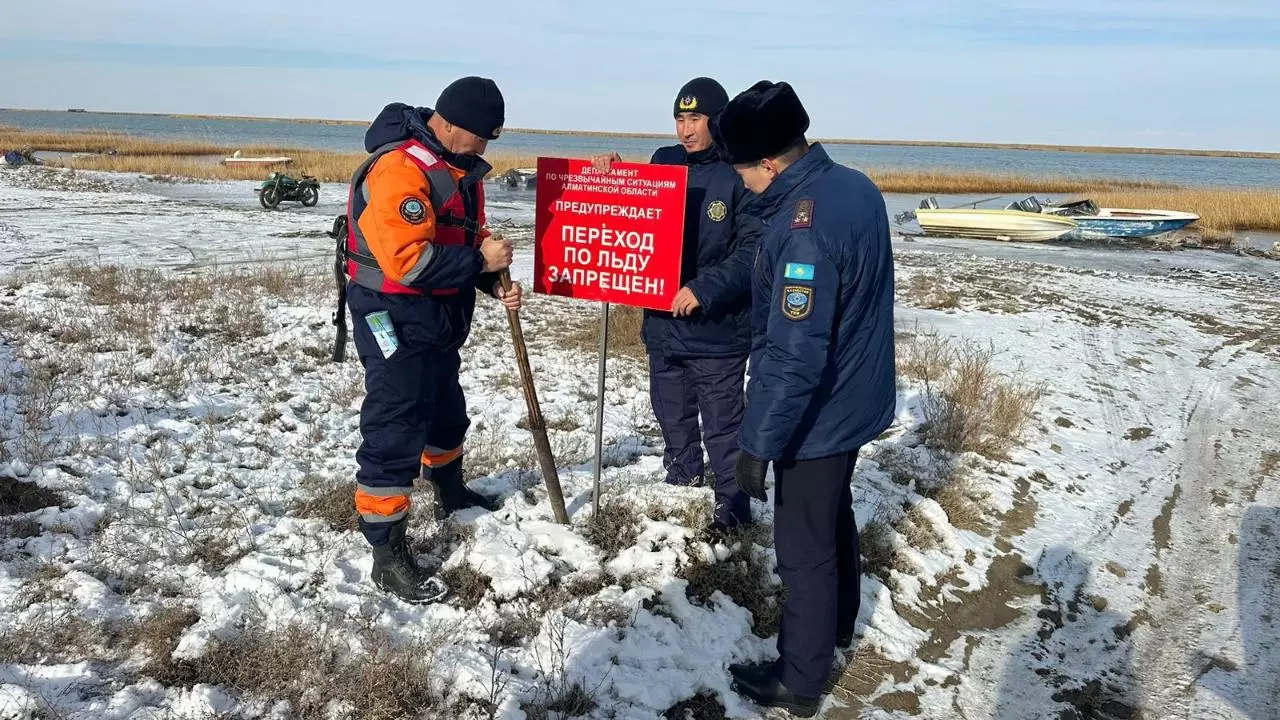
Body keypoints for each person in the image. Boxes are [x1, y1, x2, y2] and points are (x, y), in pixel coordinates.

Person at [711, 81, 896, 716]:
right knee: (832, 517)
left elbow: (794, 353)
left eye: (741, 170)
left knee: (802, 550)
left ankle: (801, 678)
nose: (740, 184)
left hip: (818, 413)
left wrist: (757, 445)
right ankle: (838, 626)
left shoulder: (802, 231)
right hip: (854, 396)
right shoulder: (855, 185)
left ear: (769, 162)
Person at [340, 77, 521, 604]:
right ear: (449, 123)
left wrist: (491, 281)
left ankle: (450, 488)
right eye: (481, 137)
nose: (485, 148)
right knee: (396, 420)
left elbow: (461, 237)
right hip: (393, 314)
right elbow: (410, 261)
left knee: (445, 408)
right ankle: (386, 549)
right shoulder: (400, 169)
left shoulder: (461, 170)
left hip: (439, 314)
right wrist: (481, 262)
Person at [592, 77, 762, 537]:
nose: (686, 130)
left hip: (718, 326)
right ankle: (682, 476)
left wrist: (704, 290)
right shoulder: (664, 162)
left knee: (724, 423)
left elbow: (751, 250)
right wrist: (612, 175)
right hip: (663, 323)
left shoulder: (740, 170)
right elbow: (638, 214)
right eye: (680, 119)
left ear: (718, 121)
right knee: (672, 410)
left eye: (696, 119)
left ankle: (734, 504)